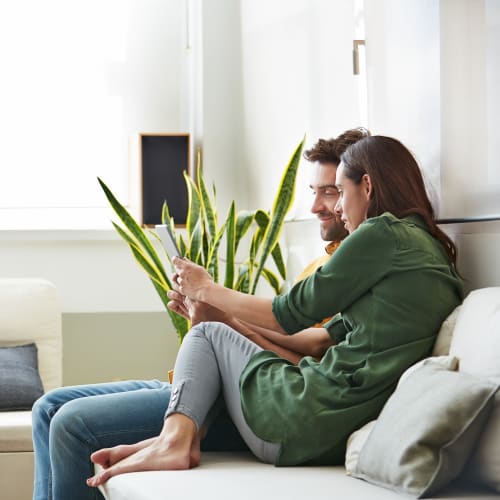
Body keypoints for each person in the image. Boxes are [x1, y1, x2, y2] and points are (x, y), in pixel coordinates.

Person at [85, 135, 463, 487]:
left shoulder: (383, 233)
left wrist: (207, 289)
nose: (335, 208)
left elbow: (290, 312)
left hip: (305, 417)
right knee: (214, 330)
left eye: (340, 193)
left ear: (367, 187)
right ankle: (174, 439)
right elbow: (316, 341)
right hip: (328, 428)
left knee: (204, 334)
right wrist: (228, 320)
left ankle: (173, 442)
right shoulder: (427, 255)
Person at [31, 128, 368, 500]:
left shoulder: (353, 277)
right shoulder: (321, 266)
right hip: (218, 377)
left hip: (250, 395)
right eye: (314, 192)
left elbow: (301, 367)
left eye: (331, 191)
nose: (318, 206)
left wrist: (221, 320)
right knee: (48, 406)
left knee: (70, 424)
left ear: (362, 189)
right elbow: (275, 339)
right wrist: (208, 321)